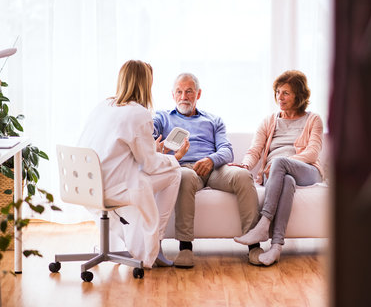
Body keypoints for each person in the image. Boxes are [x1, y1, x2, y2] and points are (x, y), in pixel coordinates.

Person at [78, 60, 189, 269]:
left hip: (84, 185)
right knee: (174, 172)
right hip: (111, 188)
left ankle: (133, 242)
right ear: (145, 84)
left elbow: (116, 150)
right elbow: (149, 166)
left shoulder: (104, 106)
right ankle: (155, 243)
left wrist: (152, 150)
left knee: (146, 180)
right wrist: (175, 157)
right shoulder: (139, 113)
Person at [153, 73, 261, 268]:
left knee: (244, 176)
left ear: (198, 94)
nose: (183, 96)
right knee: (184, 175)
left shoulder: (213, 120)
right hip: (185, 167)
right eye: (179, 91)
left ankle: (253, 244)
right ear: (172, 94)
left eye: (189, 91)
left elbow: (227, 150)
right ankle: (185, 247)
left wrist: (211, 160)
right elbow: (149, 141)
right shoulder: (162, 118)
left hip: (214, 168)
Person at [232, 70, 324, 265]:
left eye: (286, 93)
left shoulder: (313, 119)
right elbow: (255, 150)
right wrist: (245, 165)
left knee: (281, 162)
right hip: (275, 175)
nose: (279, 98)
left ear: (299, 96)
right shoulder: (269, 121)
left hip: (306, 170)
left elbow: (312, 153)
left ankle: (263, 223)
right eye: (278, 92)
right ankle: (275, 247)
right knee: (287, 180)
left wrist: (282, 162)